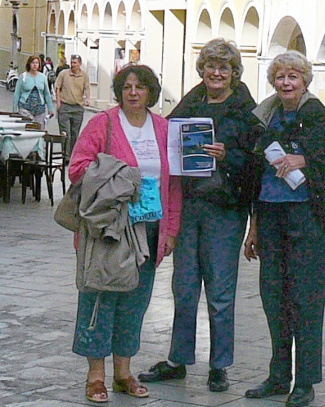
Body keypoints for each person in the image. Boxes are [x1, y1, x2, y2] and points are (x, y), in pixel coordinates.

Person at [243, 51, 325, 407]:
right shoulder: (266, 115)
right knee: (273, 296)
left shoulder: (318, 115)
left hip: (308, 219)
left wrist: (305, 158)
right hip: (270, 215)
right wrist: (253, 226)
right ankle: (277, 374)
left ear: (304, 81)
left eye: (293, 77)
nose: (286, 83)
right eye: (281, 77)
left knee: (305, 299)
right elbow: (256, 173)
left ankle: (305, 381)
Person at [139, 38, 257, 392]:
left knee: (220, 291)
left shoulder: (247, 112)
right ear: (202, 69)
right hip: (189, 207)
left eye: (224, 67)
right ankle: (178, 359)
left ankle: (219, 364)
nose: (216, 73)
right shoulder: (189, 104)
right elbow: (166, 141)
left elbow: (257, 165)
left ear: (234, 72)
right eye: (210, 66)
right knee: (184, 288)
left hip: (225, 210)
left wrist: (228, 156)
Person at [68, 64, 182, 403]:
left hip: (149, 229)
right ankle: (95, 375)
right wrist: (120, 176)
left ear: (151, 92)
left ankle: (123, 372)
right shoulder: (102, 124)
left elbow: (173, 184)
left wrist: (171, 230)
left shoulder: (162, 128)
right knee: (100, 299)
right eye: (128, 86)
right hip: (110, 231)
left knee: (135, 303)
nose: (134, 92)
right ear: (120, 92)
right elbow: (77, 168)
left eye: (141, 87)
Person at [55, 54, 91, 158]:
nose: (72, 64)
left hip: (77, 108)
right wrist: (58, 103)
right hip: (65, 106)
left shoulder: (84, 75)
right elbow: (58, 88)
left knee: (75, 134)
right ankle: (65, 156)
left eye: (75, 62)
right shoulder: (64, 74)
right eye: (71, 62)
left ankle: (72, 156)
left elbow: (87, 88)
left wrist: (88, 99)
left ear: (80, 64)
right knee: (66, 133)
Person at [13, 55, 54, 127]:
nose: (35, 65)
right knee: (27, 129)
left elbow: (46, 94)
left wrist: (50, 109)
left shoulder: (43, 77)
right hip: (25, 108)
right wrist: (14, 109)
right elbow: (17, 93)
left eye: (37, 63)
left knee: (39, 129)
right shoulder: (23, 76)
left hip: (40, 109)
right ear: (29, 64)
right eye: (33, 63)